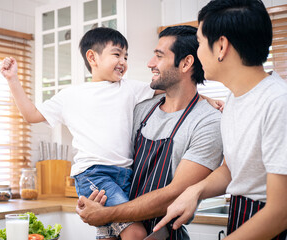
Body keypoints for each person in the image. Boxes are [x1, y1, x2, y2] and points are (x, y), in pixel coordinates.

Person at [1, 27, 156, 240]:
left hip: (126, 175)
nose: (123, 61)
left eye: (126, 56)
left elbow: (170, 89)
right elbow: (32, 114)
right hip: (94, 174)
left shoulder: (130, 88)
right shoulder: (71, 96)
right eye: (117, 54)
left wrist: (205, 101)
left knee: (110, 235)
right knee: (136, 232)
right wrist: (13, 80)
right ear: (92, 57)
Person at [153, 0, 287, 239]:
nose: (198, 52)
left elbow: (280, 212)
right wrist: (195, 191)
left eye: (201, 43)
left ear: (222, 46)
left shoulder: (278, 102)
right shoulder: (234, 98)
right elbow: (232, 169)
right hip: (241, 215)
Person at [76, 25, 224, 239]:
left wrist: (106, 213)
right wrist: (95, 201)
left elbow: (174, 195)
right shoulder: (142, 109)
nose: (150, 63)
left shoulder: (207, 121)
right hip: (119, 229)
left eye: (159, 56)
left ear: (186, 63)